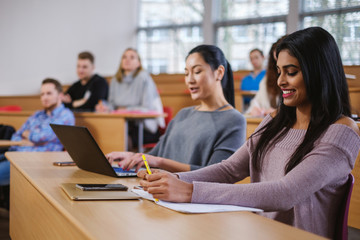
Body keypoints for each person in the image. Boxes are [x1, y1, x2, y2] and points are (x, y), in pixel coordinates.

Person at [137, 27, 360, 239]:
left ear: (319, 72)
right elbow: (229, 169)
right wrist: (170, 180)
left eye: (291, 72)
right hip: (255, 232)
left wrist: (188, 191)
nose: (281, 81)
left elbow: (285, 193)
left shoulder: (342, 131)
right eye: (279, 71)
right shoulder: (275, 120)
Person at [106, 45, 246, 172]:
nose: (190, 80)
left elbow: (216, 175)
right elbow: (154, 156)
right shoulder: (183, 114)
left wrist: (159, 162)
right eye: (186, 73)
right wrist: (129, 156)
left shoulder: (234, 120)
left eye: (197, 71)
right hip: (158, 191)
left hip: (189, 197)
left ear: (219, 73)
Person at [0, 78, 75, 194]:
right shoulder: (37, 115)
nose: (44, 97)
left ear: (60, 95)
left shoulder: (65, 116)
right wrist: (28, 137)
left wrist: (29, 135)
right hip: (13, 154)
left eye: (49, 93)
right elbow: (16, 135)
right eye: (42, 94)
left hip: (33, 162)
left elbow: (40, 137)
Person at [96, 48, 165, 148]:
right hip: (122, 124)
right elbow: (112, 104)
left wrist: (125, 110)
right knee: (104, 133)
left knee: (121, 138)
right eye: (124, 57)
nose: (127, 60)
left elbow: (147, 108)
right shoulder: (115, 79)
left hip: (143, 127)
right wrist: (105, 107)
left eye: (132, 57)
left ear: (139, 63)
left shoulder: (144, 78)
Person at [245, 36, 286, 117]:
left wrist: (279, 112)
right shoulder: (267, 78)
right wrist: (255, 108)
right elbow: (257, 101)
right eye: (276, 63)